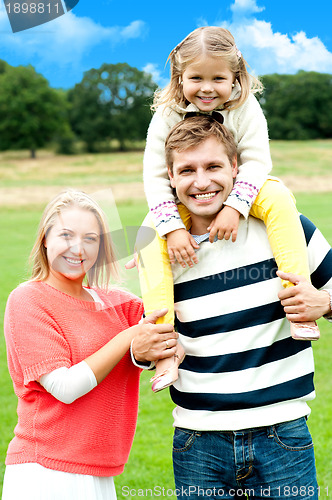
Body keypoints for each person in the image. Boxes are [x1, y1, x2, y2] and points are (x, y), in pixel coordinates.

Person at [138, 115, 332, 499]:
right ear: (170, 179)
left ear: (236, 169)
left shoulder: (287, 228)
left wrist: (324, 302)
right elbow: (146, 338)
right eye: (187, 170)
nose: (201, 181)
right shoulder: (159, 249)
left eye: (213, 166)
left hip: (283, 434)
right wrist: (142, 353)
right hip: (197, 442)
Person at [140, 26, 319, 392]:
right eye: (196, 78)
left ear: (236, 78)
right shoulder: (166, 115)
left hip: (246, 188)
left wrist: (235, 208)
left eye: (218, 78)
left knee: (280, 197)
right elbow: (156, 178)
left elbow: (256, 162)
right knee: (147, 238)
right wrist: (172, 229)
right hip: (180, 203)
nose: (207, 88)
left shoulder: (245, 106)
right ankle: (164, 348)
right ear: (179, 77)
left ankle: (297, 300)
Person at [2, 190, 177, 500]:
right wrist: (128, 337)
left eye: (91, 239)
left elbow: (173, 321)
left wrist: (157, 260)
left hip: (99, 473)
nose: (77, 248)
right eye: (66, 235)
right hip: (45, 473)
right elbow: (64, 386)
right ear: (45, 238)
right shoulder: (28, 300)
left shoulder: (120, 305)